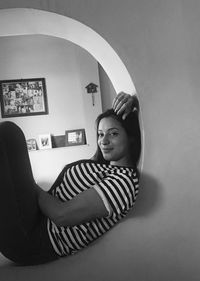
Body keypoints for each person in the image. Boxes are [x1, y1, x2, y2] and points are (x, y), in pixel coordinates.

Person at [0, 92, 141, 265]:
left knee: (7, 134)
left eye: (113, 134)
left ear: (131, 138)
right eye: (100, 134)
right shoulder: (102, 165)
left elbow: (61, 216)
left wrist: (30, 185)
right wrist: (130, 100)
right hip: (35, 217)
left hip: (35, 239)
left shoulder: (123, 183)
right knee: (8, 133)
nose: (103, 141)